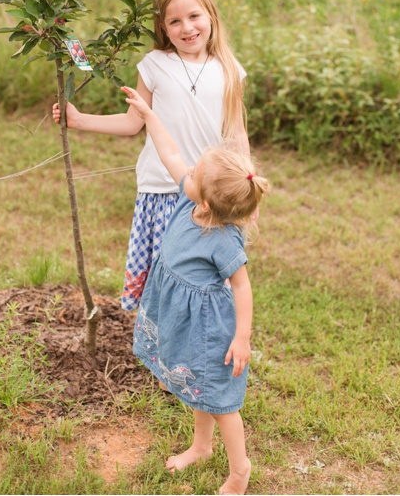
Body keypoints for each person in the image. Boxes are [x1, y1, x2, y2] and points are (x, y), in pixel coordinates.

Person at [53, 0, 250, 311]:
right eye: (175, 21)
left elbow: (235, 133)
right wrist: (79, 120)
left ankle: (202, 341)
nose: (187, 28)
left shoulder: (229, 68)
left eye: (194, 16)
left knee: (204, 278)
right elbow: (133, 122)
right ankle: (159, 345)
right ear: (163, 27)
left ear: (211, 16)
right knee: (164, 276)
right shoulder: (155, 65)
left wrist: (246, 188)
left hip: (211, 194)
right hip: (161, 191)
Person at [123, 84, 268, 496]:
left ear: (203, 201)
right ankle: (201, 448)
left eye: (195, 174)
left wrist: (242, 338)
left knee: (222, 402)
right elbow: (170, 153)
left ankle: (239, 470)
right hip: (183, 318)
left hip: (209, 329)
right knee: (195, 386)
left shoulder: (222, 240)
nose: (187, 172)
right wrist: (149, 117)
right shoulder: (194, 200)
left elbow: (242, 288)